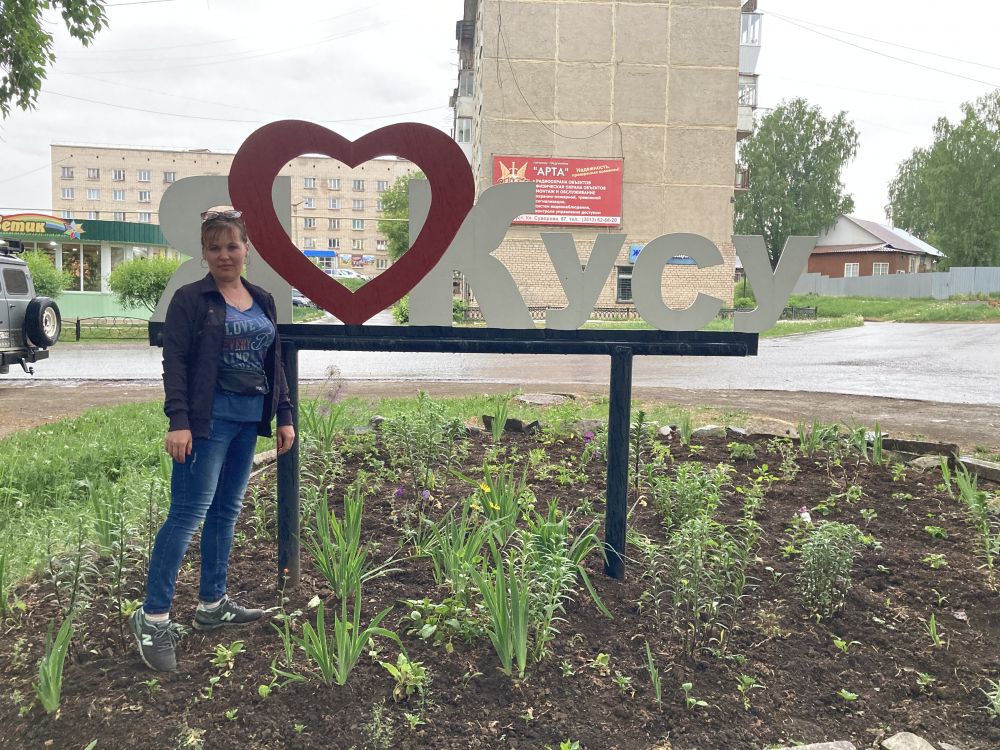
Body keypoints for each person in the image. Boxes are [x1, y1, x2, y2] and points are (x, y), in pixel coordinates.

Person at [130, 209, 295, 672]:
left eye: (232, 246)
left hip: (247, 421)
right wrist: (178, 421)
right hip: (206, 424)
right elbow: (176, 363)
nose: (224, 254)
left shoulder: (262, 299)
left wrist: (284, 414)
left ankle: (212, 604)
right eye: (215, 247)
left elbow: (273, 362)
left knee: (226, 512)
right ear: (203, 253)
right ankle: (152, 617)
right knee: (187, 515)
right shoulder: (190, 299)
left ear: (246, 250)